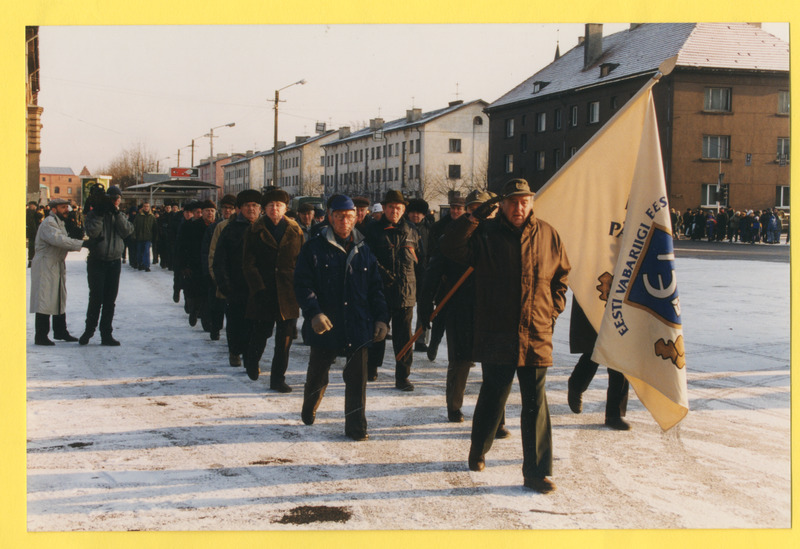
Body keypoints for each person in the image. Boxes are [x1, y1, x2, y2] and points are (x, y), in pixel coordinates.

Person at [441, 178, 570, 494]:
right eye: (513, 202)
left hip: (537, 333)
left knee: (535, 403)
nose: (518, 208)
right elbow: (450, 248)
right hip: (497, 332)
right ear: (502, 205)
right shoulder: (485, 233)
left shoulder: (549, 234)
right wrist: (473, 219)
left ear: (532, 202)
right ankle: (479, 447)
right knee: (494, 395)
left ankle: (537, 472)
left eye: (524, 201)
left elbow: (561, 278)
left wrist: (552, 311)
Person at [294, 195, 389, 441]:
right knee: (317, 374)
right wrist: (314, 313)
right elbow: (303, 285)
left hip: (358, 323)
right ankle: (310, 404)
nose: (345, 221)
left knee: (357, 379)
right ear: (329, 217)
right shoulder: (313, 248)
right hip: (327, 323)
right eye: (339, 216)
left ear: (356, 218)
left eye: (349, 216)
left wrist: (381, 318)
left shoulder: (364, 249)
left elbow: (376, 289)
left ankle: (356, 427)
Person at [241, 187, 304, 391]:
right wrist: (258, 288)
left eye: (279, 205)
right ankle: (252, 360)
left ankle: (278, 379)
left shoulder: (295, 230)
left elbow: (302, 261)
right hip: (264, 291)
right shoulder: (254, 230)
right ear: (264, 209)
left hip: (288, 292)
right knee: (261, 333)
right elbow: (248, 264)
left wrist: (301, 286)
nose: (274, 209)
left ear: (285, 208)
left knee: (285, 339)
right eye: (270, 205)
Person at [363, 190, 422, 390]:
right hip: (380, 292)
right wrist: (383, 273)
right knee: (378, 332)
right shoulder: (373, 230)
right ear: (384, 208)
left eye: (398, 208)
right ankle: (372, 367)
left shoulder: (412, 230)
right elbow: (368, 259)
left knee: (404, 337)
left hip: (406, 292)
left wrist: (421, 289)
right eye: (390, 207)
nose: (394, 211)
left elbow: (420, 261)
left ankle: (402, 376)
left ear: (403, 209)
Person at [30, 198, 91, 345]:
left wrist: (79, 240)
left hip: (56, 263)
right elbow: (60, 240)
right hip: (46, 264)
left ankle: (60, 331)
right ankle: (41, 336)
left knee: (59, 297)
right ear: (54, 209)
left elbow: (64, 241)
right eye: (63, 207)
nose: (66, 210)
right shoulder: (49, 223)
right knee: (45, 298)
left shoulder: (59, 222)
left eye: (66, 207)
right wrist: (83, 243)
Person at [79, 185, 135, 346]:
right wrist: (99, 214)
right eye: (112, 198)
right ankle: (89, 330)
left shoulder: (120, 215)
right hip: (97, 261)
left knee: (110, 300)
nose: (115, 201)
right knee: (96, 298)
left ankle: (106, 334)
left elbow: (127, 231)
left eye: (118, 198)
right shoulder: (94, 214)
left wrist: (116, 214)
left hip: (114, 262)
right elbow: (92, 233)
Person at [213, 190, 262, 367]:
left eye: (255, 205)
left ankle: (251, 358)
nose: (251, 209)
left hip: (258, 287)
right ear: (240, 208)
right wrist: (225, 285)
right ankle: (235, 351)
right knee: (236, 322)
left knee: (257, 325)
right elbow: (219, 260)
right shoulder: (230, 229)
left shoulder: (264, 229)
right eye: (247, 206)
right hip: (236, 286)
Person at [567, 300, 631, 430]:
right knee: (595, 346)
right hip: (598, 297)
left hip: (624, 299)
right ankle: (576, 384)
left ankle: (614, 414)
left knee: (621, 350)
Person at [425, 192, 466, 361]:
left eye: (459, 209)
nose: (455, 211)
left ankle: (463, 354)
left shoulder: (469, 226)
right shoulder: (439, 227)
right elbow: (432, 253)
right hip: (444, 279)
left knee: (462, 320)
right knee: (440, 315)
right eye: (453, 208)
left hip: (462, 280)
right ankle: (434, 344)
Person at [204, 194, 237, 341]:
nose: (227, 211)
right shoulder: (216, 227)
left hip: (233, 273)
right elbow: (209, 251)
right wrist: (211, 272)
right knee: (216, 304)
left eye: (230, 208)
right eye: (225, 208)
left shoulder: (240, 226)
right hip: (218, 272)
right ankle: (215, 328)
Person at [133, 201, 157, 272]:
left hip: (148, 237)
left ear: (149, 207)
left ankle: (146, 266)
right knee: (139, 252)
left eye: (147, 206)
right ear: (143, 207)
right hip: (139, 237)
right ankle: (140, 264)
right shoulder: (138, 216)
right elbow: (134, 226)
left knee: (146, 251)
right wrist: (134, 236)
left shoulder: (152, 217)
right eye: (145, 206)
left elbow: (155, 228)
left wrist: (155, 237)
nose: (146, 208)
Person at [26, 200, 43, 267]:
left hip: (33, 232)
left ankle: (31, 261)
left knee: (32, 247)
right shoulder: (30, 212)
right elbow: (40, 216)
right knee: (33, 247)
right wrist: (37, 210)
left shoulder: (31, 212)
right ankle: (32, 261)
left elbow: (40, 216)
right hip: (33, 232)